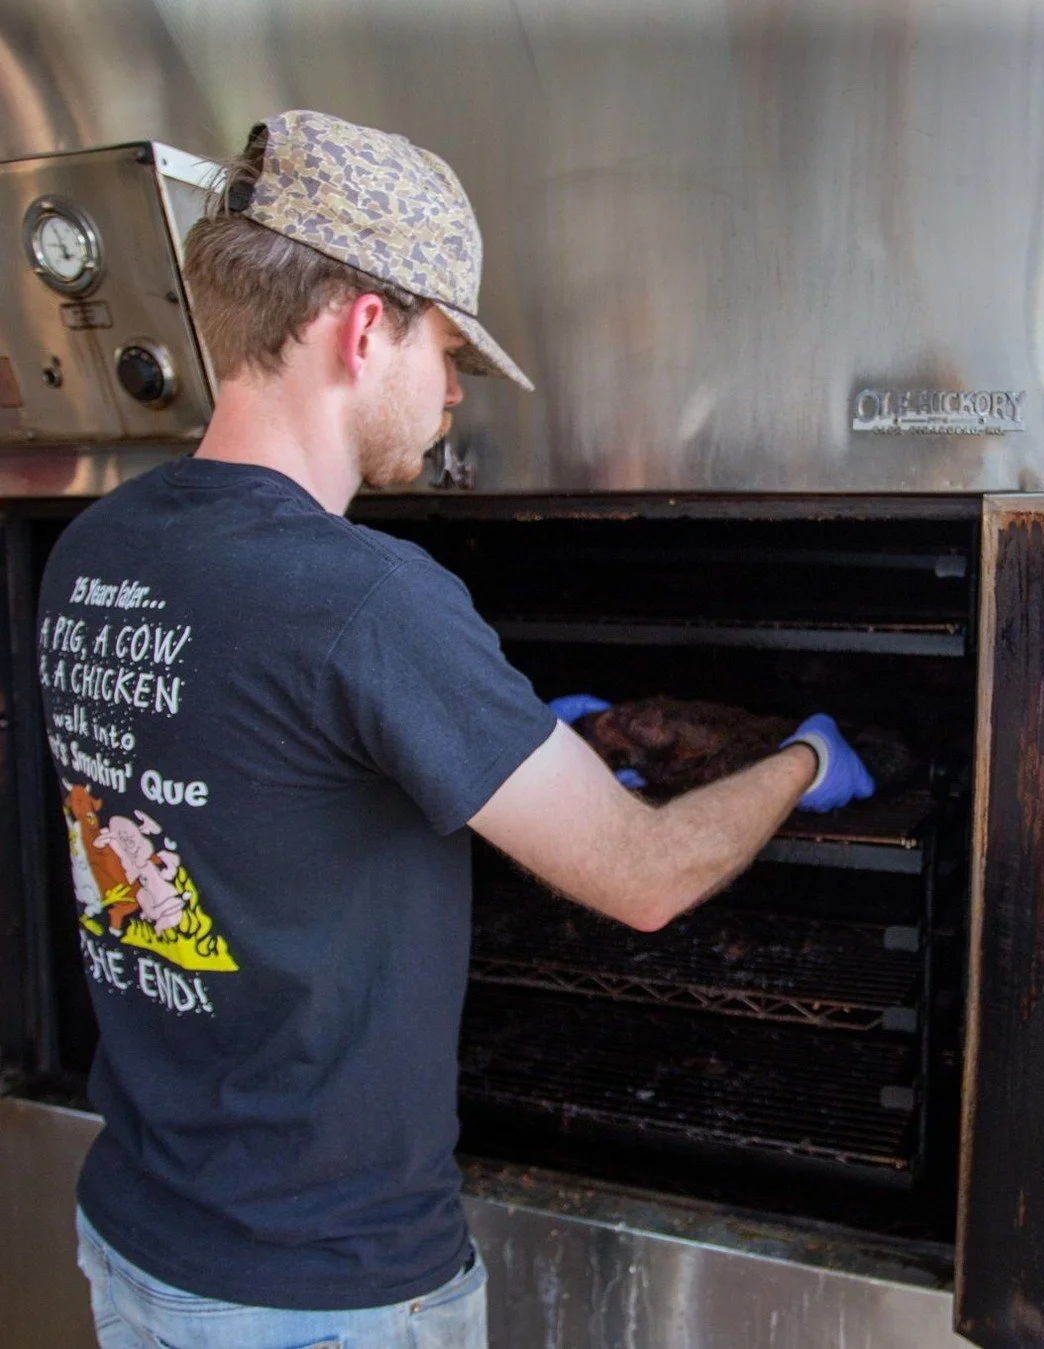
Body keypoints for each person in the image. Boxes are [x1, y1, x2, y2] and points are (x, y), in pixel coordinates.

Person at [37, 110, 874, 1349]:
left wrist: (491, 732)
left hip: (139, 1239)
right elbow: (644, 875)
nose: (449, 395)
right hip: (320, 1293)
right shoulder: (367, 599)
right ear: (364, 326)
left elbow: (252, 766)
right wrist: (802, 758)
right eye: (448, 353)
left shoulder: (93, 550)